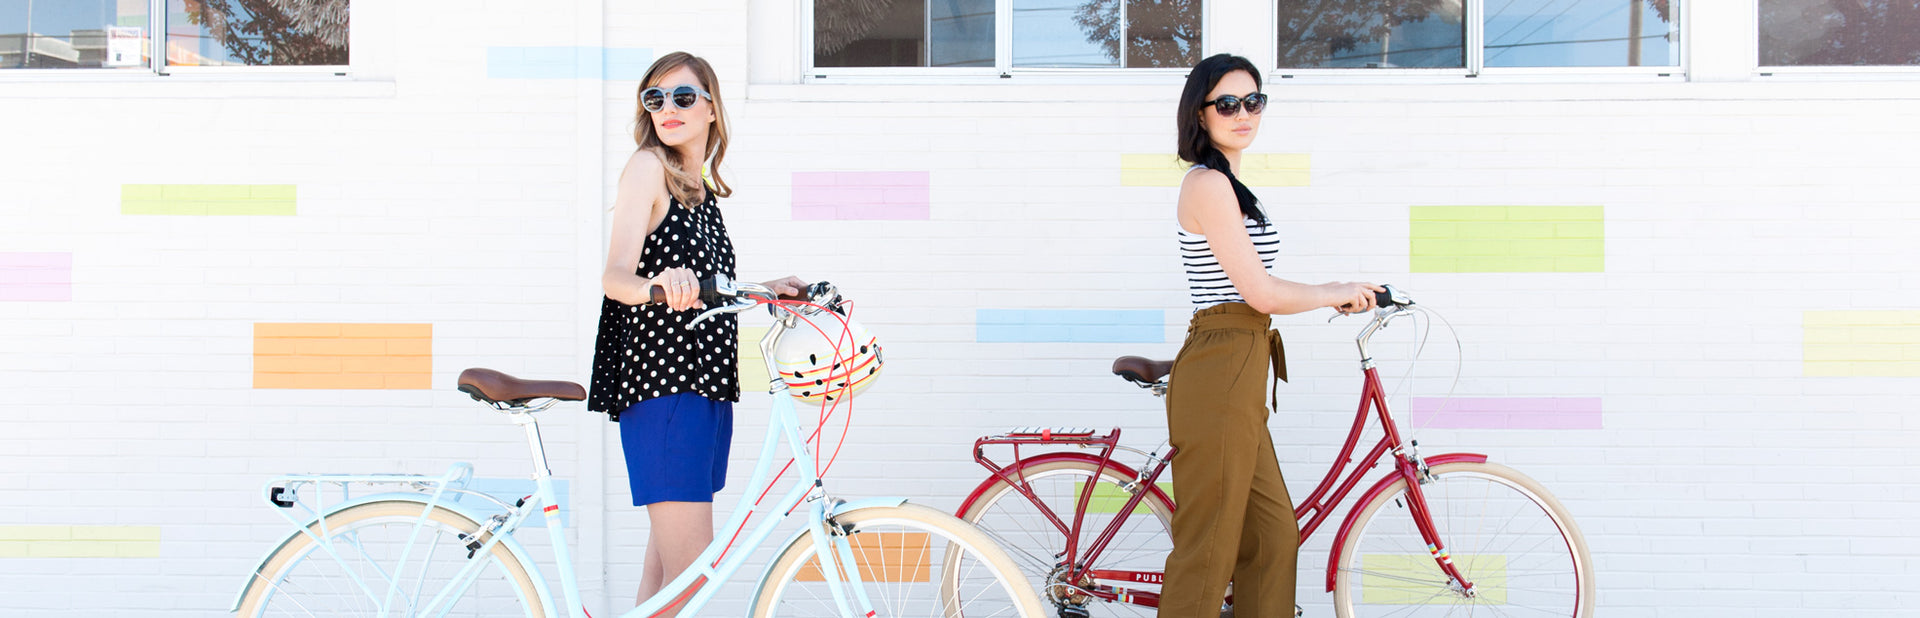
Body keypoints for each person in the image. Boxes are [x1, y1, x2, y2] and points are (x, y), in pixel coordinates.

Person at [1159, 53, 1383, 618]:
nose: (1243, 114)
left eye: (1253, 101)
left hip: (1242, 358)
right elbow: (1259, 293)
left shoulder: (1231, 186)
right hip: (1221, 361)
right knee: (1210, 543)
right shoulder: (1208, 184)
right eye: (1227, 104)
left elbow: (1259, 296)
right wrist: (1333, 290)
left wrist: (1335, 293)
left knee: (1272, 535)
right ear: (1200, 113)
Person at [585, 51, 805, 612]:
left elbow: (706, 286)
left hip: (704, 388)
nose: (668, 108)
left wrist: (762, 287)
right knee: (693, 576)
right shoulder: (647, 167)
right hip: (665, 389)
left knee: (664, 580)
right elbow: (615, 277)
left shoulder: (700, 191)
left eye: (683, 97)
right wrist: (655, 284)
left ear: (711, 109)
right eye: (655, 98)